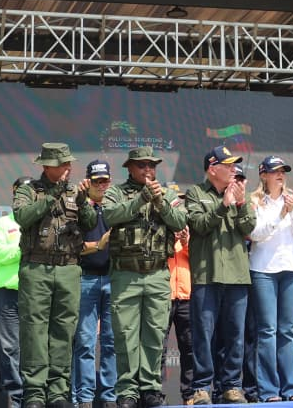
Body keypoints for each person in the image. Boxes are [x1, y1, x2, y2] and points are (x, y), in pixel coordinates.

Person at [14, 143, 97, 408]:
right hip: (37, 269)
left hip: (69, 268)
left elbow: (90, 223)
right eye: (63, 164)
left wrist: (84, 202)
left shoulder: (75, 192)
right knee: (35, 330)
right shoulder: (29, 191)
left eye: (69, 163)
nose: (68, 168)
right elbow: (22, 217)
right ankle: (35, 392)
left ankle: (59, 391)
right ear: (47, 166)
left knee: (64, 330)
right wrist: (52, 196)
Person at [103, 148, 187, 408]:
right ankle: (127, 390)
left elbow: (181, 220)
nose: (148, 171)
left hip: (157, 274)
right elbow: (110, 215)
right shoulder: (116, 192)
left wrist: (160, 202)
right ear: (129, 167)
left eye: (151, 166)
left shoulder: (167, 193)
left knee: (154, 334)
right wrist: (141, 199)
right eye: (142, 166)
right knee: (126, 335)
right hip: (125, 274)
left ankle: (151, 388)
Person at [185, 146, 256, 405]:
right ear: (213, 168)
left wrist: (239, 202)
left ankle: (232, 386)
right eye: (229, 165)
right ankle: (202, 387)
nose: (234, 169)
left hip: (237, 275)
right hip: (207, 274)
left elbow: (250, 228)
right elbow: (200, 226)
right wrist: (223, 205)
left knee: (235, 334)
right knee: (204, 334)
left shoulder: (239, 195)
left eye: (235, 164)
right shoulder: (195, 193)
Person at [249, 155, 293, 403]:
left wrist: (292, 211)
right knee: (267, 330)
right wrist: (280, 214)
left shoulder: (292, 200)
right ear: (263, 174)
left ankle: (292, 388)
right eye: (275, 171)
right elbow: (255, 234)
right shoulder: (254, 201)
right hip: (263, 269)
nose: (280, 175)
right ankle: (268, 390)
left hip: (292, 270)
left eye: (283, 171)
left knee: (288, 331)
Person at [72, 161, 117, 408]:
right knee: (86, 342)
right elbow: (73, 245)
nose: (101, 185)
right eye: (96, 180)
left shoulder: (115, 206)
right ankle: (85, 398)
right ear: (87, 181)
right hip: (86, 278)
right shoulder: (78, 207)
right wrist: (97, 246)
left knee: (111, 342)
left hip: (113, 279)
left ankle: (109, 397)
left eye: (105, 180)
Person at [0, 177, 30, 408]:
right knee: (9, 348)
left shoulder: (40, 222)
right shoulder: (3, 224)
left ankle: (34, 398)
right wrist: (23, 248)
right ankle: (12, 401)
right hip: (9, 294)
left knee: (36, 348)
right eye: (20, 191)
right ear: (13, 193)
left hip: (37, 293)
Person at [160, 185, 194, 408]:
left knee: (189, 349)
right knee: (158, 350)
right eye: (173, 202)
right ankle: (156, 394)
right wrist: (170, 238)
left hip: (187, 295)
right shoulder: (158, 227)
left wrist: (188, 241)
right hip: (162, 296)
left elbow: (199, 259)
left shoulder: (190, 227)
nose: (177, 205)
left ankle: (189, 396)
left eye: (180, 201)